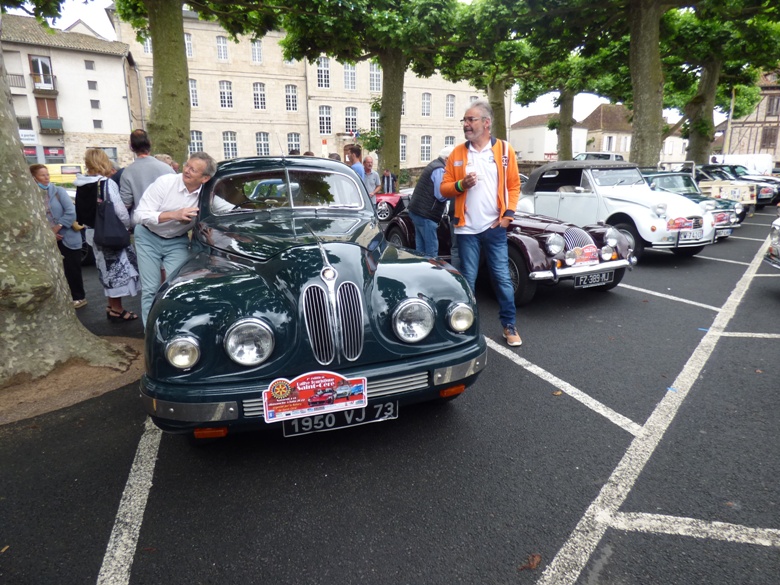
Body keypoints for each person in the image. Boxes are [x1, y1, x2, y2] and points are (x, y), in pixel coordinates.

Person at [441, 99, 522, 347]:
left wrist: (508, 216)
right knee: (467, 280)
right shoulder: (457, 154)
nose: (466, 124)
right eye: (464, 120)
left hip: (494, 228)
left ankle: (509, 325)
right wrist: (460, 185)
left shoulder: (505, 150)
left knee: (502, 279)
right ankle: (466, 327)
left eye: (471, 119)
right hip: (466, 230)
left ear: (486, 123)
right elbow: (444, 189)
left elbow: (514, 185)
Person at [132, 152, 216, 325]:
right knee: (150, 289)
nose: (187, 170)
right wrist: (173, 215)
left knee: (178, 287)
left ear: (205, 178)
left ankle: (175, 332)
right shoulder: (165, 183)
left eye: (193, 170)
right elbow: (138, 216)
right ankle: (150, 334)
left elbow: (228, 209)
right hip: (148, 236)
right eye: (187, 165)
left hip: (177, 241)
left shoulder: (207, 195)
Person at [74, 149, 140, 321]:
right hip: (110, 232)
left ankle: (112, 305)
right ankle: (117, 309)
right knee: (117, 270)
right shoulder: (105, 183)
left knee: (105, 269)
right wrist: (127, 226)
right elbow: (119, 210)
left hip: (93, 232)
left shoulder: (81, 183)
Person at [29, 164, 87, 309]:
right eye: (42, 175)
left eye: (47, 174)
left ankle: (79, 297)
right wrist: (49, 232)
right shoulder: (31, 196)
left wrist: (57, 228)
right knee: (55, 271)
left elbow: (70, 212)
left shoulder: (58, 191)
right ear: (33, 178)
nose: (46, 177)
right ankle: (62, 298)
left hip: (68, 237)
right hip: (49, 239)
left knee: (72, 269)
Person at [119, 130, 175, 221]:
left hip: (142, 224)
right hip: (166, 222)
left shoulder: (127, 173)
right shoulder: (167, 169)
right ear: (149, 143)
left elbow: (125, 204)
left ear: (131, 147)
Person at [407, 146, 453, 257]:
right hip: (427, 214)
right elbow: (440, 195)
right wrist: (454, 192)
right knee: (431, 250)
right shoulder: (440, 170)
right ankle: (430, 272)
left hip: (417, 211)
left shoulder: (434, 165)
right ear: (447, 159)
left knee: (421, 250)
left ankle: (420, 271)